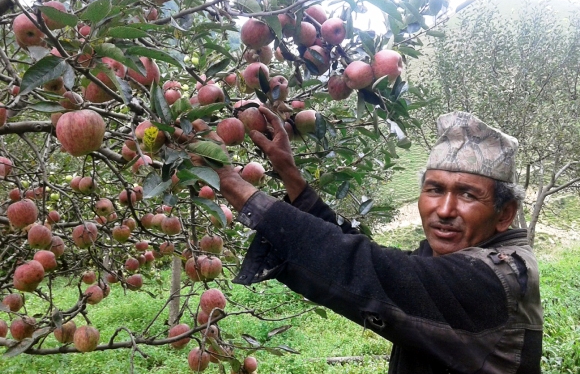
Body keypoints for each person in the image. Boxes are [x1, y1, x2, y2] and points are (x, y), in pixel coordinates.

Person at [214, 107, 543, 374]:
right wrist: (289, 172)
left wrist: (232, 183)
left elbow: (371, 272)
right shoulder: (461, 255)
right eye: (434, 189)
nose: (444, 209)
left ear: (505, 214)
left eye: (467, 194)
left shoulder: (496, 278)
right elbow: (373, 259)